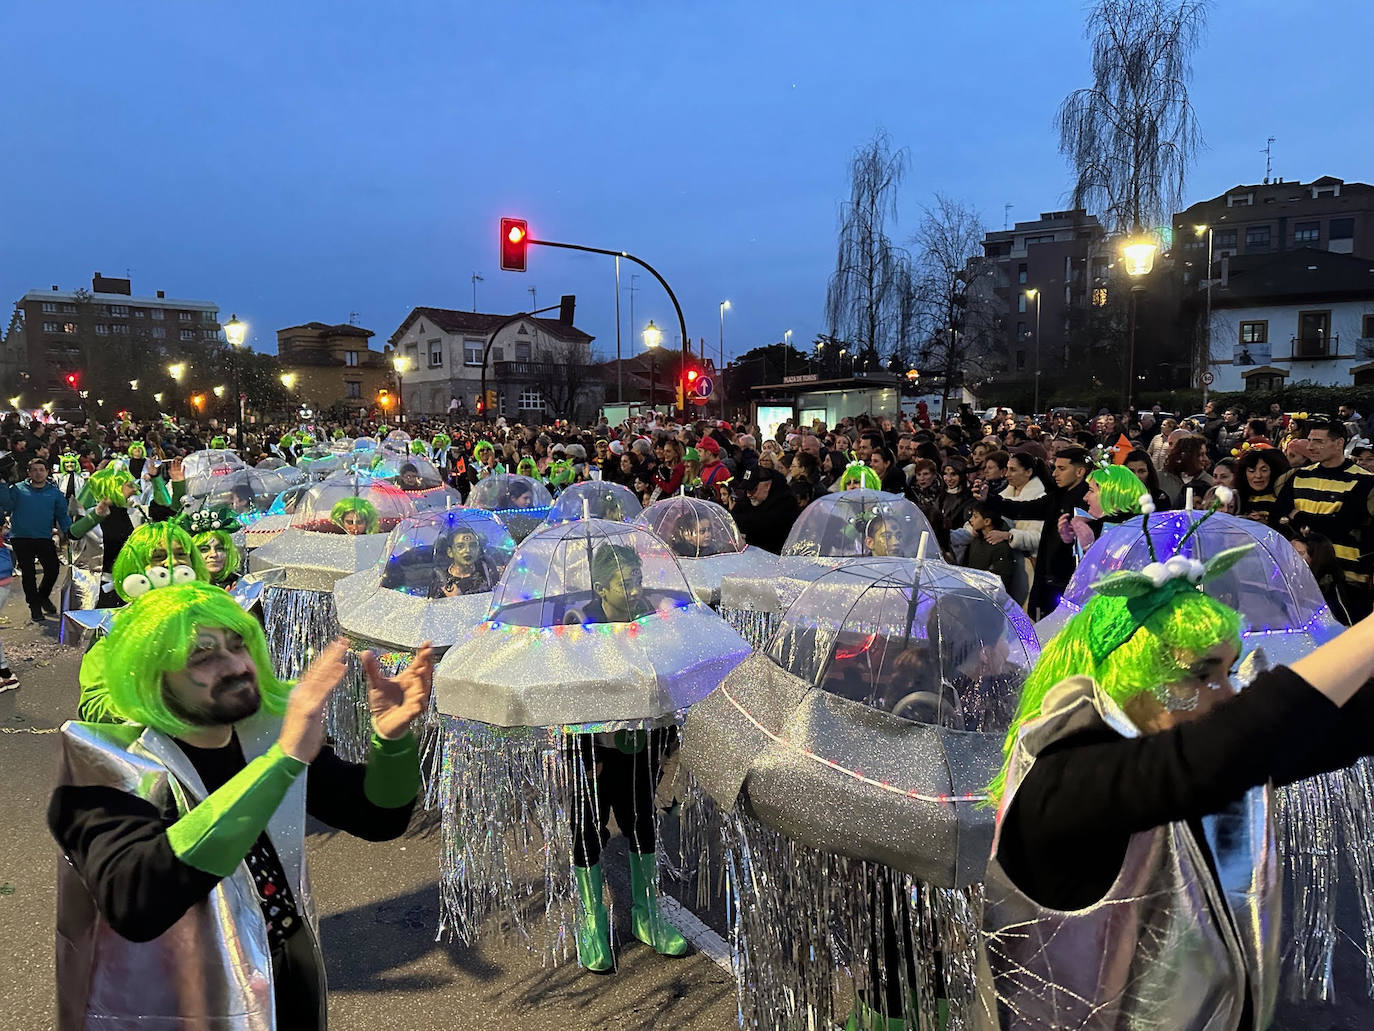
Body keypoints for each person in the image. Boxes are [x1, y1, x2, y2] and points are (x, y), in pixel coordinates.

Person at [978, 515, 1374, 1030]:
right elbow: (1235, 746)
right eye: (1199, 675)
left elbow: (1324, 731)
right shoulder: (1064, 779)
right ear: (1129, 677)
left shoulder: (1155, 751)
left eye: (1227, 672)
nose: (1226, 696)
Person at [49, 582, 432, 1029]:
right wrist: (281, 763)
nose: (235, 666)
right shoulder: (108, 765)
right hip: (178, 1012)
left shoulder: (264, 736)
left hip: (285, 992)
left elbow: (377, 817)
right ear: (151, 674)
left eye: (239, 645)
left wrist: (391, 740)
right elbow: (137, 901)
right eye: (203, 656)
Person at [566, 544, 688, 972]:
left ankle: (645, 915)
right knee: (588, 828)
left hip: (639, 746)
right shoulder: (578, 624)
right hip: (593, 751)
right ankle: (592, 920)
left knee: (641, 823)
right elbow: (567, 694)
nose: (635, 587)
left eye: (637, 578)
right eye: (625, 582)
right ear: (601, 587)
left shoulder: (650, 619)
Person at [1271, 418, 1374, 619]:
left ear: (1339, 444)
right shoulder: (1298, 476)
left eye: (1318, 441)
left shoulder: (1364, 480)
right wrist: (1296, 539)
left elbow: (1340, 526)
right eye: (1309, 440)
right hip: (1301, 573)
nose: (1311, 447)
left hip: (1347, 578)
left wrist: (1297, 516)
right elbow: (1277, 518)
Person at [983, 446, 1090, 620]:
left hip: (1067, 583)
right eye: (1055, 468)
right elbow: (1024, 509)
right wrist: (989, 499)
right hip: (1048, 579)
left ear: (1080, 471)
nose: (1055, 473)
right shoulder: (1058, 496)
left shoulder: (1086, 502)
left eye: (1062, 469)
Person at [0, 457, 71, 622]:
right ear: (28, 472)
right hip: (21, 538)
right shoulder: (17, 489)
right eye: (34, 470)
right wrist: (2, 484)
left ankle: (42, 596)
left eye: (41, 470)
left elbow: (62, 515)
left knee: (53, 569)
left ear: (47, 472)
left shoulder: (54, 493)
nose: (38, 473)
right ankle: (35, 607)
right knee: (28, 574)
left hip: (43, 536)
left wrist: (70, 532)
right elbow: (8, 506)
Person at [729, 467, 799, 554]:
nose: (748, 494)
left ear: (767, 486)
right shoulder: (749, 498)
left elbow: (763, 525)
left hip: (776, 555)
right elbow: (733, 517)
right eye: (747, 489)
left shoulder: (786, 501)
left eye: (753, 489)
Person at [178, 507, 243, 591]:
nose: (214, 554)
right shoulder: (182, 587)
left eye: (220, 549)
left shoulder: (240, 585)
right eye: (204, 550)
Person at [428, 526, 499, 598]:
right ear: (450, 552)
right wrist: (453, 600)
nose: (468, 550)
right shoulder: (442, 583)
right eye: (460, 546)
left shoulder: (487, 574)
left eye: (472, 545)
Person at [962, 501, 1016, 594]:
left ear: (987, 521)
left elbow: (1001, 581)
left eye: (975, 516)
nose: (971, 520)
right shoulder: (976, 541)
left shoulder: (1000, 547)